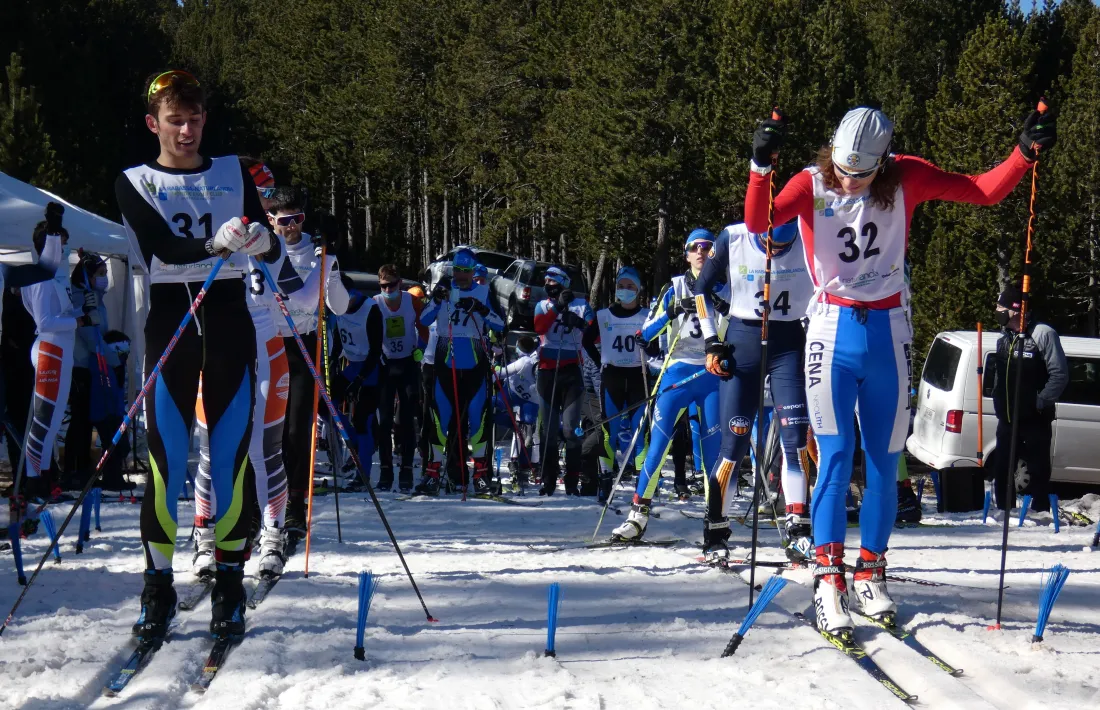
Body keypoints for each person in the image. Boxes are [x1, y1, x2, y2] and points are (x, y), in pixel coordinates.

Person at [745, 103, 1056, 636]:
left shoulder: (907, 176)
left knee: (886, 463)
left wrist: (1024, 155)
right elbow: (758, 221)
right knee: (836, 456)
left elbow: (983, 190)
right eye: (843, 168)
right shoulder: (811, 183)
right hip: (830, 330)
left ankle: (870, 568)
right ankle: (828, 578)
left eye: (861, 173)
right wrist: (760, 166)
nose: (848, 180)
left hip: (887, 333)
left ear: (884, 162)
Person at [115, 70, 281, 642]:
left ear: (205, 119)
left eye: (194, 119)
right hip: (172, 320)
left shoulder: (234, 170)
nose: (186, 131)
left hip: (229, 317)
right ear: (153, 124)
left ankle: (230, 584)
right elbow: (162, 245)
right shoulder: (134, 180)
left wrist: (263, 241)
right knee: (166, 465)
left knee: (232, 456)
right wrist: (214, 244)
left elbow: (274, 241)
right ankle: (157, 587)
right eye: (174, 121)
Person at [693, 221, 816, 564]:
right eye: (767, 245)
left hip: (788, 344)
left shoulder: (810, 236)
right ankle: (715, 532)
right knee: (734, 444)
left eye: (781, 246)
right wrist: (710, 341)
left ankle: (799, 530)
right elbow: (700, 288)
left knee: (794, 438)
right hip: (741, 342)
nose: (773, 252)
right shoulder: (734, 237)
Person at [611, 230, 727, 540]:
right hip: (676, 371)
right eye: (695, 247)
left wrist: (721, 305)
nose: (701, 251)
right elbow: (645, 333)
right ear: (686, 254)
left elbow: (742, 328)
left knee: (713, 450)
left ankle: (714, 517)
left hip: (711, 373)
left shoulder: (727, 286)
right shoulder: (673, 287)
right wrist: (671, 311)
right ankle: (638, 515)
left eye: (707, 247)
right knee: (658, 445)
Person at [269, 189, 350, 534]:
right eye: (284, 221)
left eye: (297, 219)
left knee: (297, 427)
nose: (292, 227)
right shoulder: (262, 252)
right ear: (270, 221)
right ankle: (265, 500)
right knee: (266, 427)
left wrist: (330, 274)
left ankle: (295, 503)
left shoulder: (319, 257)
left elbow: (341, 307)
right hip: (269, 344)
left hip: (303, 344)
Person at [21, 211, 99, 501]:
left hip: (62, 349)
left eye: (66, 243)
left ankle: (44, 477)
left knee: (53, 422)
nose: (64, 248)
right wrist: (79, 322)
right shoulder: (40, 278)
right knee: (43, 420)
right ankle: (33, 482)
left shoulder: (55, 276)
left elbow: (62, 314)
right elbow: (45, 322)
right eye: (60, 243)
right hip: (50, 349)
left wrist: (83, 311)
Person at [416, 248, 505, 495]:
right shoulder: (443, 289)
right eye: (458, 270)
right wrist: (435, 299)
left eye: (466, 271)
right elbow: (423, 320)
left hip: (475, 366)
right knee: (439, 420)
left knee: (479, 421)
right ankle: (432, 474)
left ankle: (481, 475)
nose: (462, 276)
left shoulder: (484, 291)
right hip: (446, 364)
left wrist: (481, 309)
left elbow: (501, 325)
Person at [990, 283, 1067, 513]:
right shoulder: (1004, 337)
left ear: (1015, 310)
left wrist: (1040, 401)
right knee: (1003, 467)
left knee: (1038, 468)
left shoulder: (1043, 334)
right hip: (1007, 417)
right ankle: (1004, 511)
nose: (997, 311)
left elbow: (1059, 374)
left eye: (1000, 307)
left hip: (1035, 417)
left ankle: (1040, 512)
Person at [582, 266, 649, 503]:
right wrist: (600, 359)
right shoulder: (603, 315)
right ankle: (605, 480)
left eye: (630, 287)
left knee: (638, 431)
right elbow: (586, 340)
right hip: (612, 376)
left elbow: (656, 345)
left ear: (638, 290)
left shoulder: (647, 315)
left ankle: (643, 486)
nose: (625, 291)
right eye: (621, 286)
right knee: (608, 431)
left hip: (638, 376)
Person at [64, 252, 127, 492]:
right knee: (81, 421)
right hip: (83, 367)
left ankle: (93, 470)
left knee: (98, 420)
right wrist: (115, 359)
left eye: (106, 273)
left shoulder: (96, 297)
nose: (105, 278)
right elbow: (91, 338)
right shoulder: (82, 297)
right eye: (100, 274)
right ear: (87, 276)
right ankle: (76, 470)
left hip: (97, 366)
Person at [533, 266, 594, 496]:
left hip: (571, 372)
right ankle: (548, 480)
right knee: (548, 430)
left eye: (553, 281)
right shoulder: (542, 304)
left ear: (563, 283)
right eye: (546, 282)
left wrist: (579, 323)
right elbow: (539, 326)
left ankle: (571, 482)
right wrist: (557, 307)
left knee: (570, 430)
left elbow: (594, 333)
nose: (549, 285)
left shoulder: (580, 305)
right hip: (548, 373)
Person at [374, 264, 420, 492]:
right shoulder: (375, 303)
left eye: (392, 285)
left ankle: (407, 469)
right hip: (386, 364)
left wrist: (421, 348)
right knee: (384, 421)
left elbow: (425, 326)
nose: (388, 289)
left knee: (407, 419)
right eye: (383, 286)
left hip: (408, 361)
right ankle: (385, 470)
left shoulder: (411, 301)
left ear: (399, 283)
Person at [332, 287, 384, 489]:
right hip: (351, 366)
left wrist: (360, 379)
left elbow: (376, 350)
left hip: (371, 368)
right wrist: (332, 363)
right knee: (325, 403)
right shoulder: (336, 306)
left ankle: (363, 475)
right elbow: (338, 339)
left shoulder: (371, 309)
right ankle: (352, 440)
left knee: (363, 420)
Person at [493, 335, 541, 491]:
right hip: (518, 394)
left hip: (523, 398)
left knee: (527, 431)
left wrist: (494, 364)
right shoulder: (529, 359)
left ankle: (521, 463)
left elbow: (500, 373)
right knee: (492, 409)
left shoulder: (526, 361)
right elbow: (501, 373)